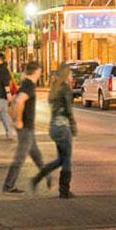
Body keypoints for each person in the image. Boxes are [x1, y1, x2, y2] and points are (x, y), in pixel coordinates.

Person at [33, 63, 77, 198]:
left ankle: (40, 176)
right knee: (67, 160)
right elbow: (69, 110)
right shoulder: (65, 89)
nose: (72, 77)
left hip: (53, 126)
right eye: (70, 74)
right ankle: (64, 191)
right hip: (63, 127)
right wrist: (73, 125)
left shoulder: (54, 88)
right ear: (66, 75)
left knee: (61, 159)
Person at [2, 61, 44, 194]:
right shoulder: (29, 85)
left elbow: (12, 101)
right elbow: (19, 101)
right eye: (40, 71)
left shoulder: (25, 83)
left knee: (35, 154)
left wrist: (13, 117)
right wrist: (18, 120)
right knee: (19, 157)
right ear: (37, 71)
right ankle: (8, 185)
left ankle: (47, 176)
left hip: (28, 127)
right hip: (25, 127)